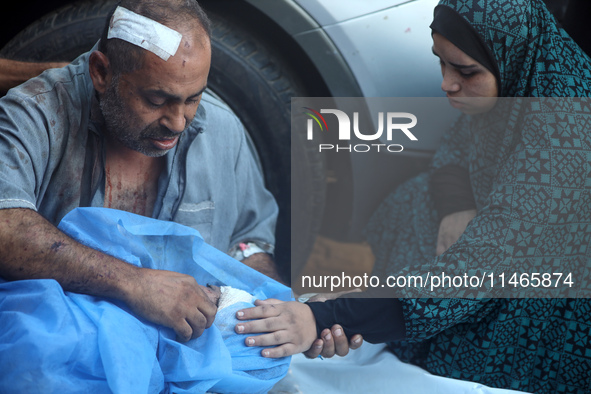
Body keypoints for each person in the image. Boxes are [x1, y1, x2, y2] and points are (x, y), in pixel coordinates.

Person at [235, 0, 591, 392]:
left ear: (512, 58)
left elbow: (480, 268)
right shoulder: (519, 81)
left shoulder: (566, 137)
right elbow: (455, 147)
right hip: (496, 247)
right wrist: (456, 206)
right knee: (417, 198)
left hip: (548, 295)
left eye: (466, 71)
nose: (446, 83)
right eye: (441, 62)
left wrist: (323, 317)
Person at [0, 0, 280, 344]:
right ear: (101, 73)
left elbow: (247, 242)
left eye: (194, 98)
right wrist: (133, 282)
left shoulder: (222, 130)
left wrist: (275, 310)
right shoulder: (36, 112)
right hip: (58, 352)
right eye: (156, 100)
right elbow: (5, 224)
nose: (178, 123)